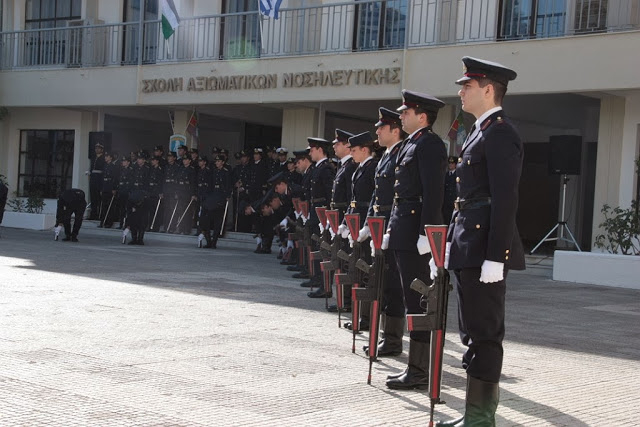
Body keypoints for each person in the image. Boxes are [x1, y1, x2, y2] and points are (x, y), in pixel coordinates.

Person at [436, 57, 525, 427]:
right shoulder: (478, 131)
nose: (461, 91)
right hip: (467, 246)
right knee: (471, 332)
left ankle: (480, 420)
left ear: (488, 89)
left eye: (467, 86)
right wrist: (448, 247)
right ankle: (472, 416)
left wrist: (496, 256)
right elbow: (466, 200)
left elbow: (506, 199)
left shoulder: (501, 132)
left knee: (485, 335)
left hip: (483, 249)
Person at [384, 89, 447, 391]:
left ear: (422, 116)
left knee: (418, 300)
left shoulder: (430, 144)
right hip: (402, 230)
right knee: (410, 299)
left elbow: (433, 192)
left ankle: (420, 370)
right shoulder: (412, 143)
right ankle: (414, 365)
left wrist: (427, 233)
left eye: (406, 112)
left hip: (414, 234)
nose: (401, 116)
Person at [360, 107, 408, 357]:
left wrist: (387, 227)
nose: (376, 131)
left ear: (395, 130)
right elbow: (375, 195)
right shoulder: (386, 156)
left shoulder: (401, 155)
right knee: (382, 282)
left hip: (393, 223)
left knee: (393, 286)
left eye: (381, 127)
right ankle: (385, 337)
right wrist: (369, 223)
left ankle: (392, 340)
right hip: (380, 223)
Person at [88, 142, 105, 220]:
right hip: (93, 180)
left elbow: (103, 171)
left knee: (99, 198)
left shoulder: (103, 158)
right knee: (93, 198)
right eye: (96, 148)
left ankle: (99, 214)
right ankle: (93, 214)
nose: (96, 149)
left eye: (98, 148)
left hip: (99, 179)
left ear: (102, 149)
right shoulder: (94, 157)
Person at [442, 155, 458, 224]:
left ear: (456, 165)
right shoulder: (445, 175)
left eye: (452, 163)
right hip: (446, 202)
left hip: (454, 202)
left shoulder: (458, 175)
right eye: (449, 163)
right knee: (446, 220)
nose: (450, 165)